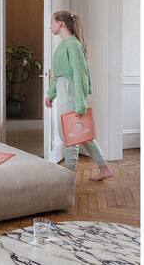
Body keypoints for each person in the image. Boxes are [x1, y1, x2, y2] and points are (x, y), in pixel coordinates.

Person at [45, 10, 113, 181]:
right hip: (64, 92)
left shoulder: (73, 45)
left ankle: (69, 176)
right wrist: (51, 93)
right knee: (81, 134)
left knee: (70, 135)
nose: (50, 26)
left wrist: (80, 103)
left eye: (52, 22)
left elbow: (79, 74)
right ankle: (104, 168)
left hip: (71, 93)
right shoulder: (63, 45)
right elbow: (57, 75)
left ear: (60, 23)